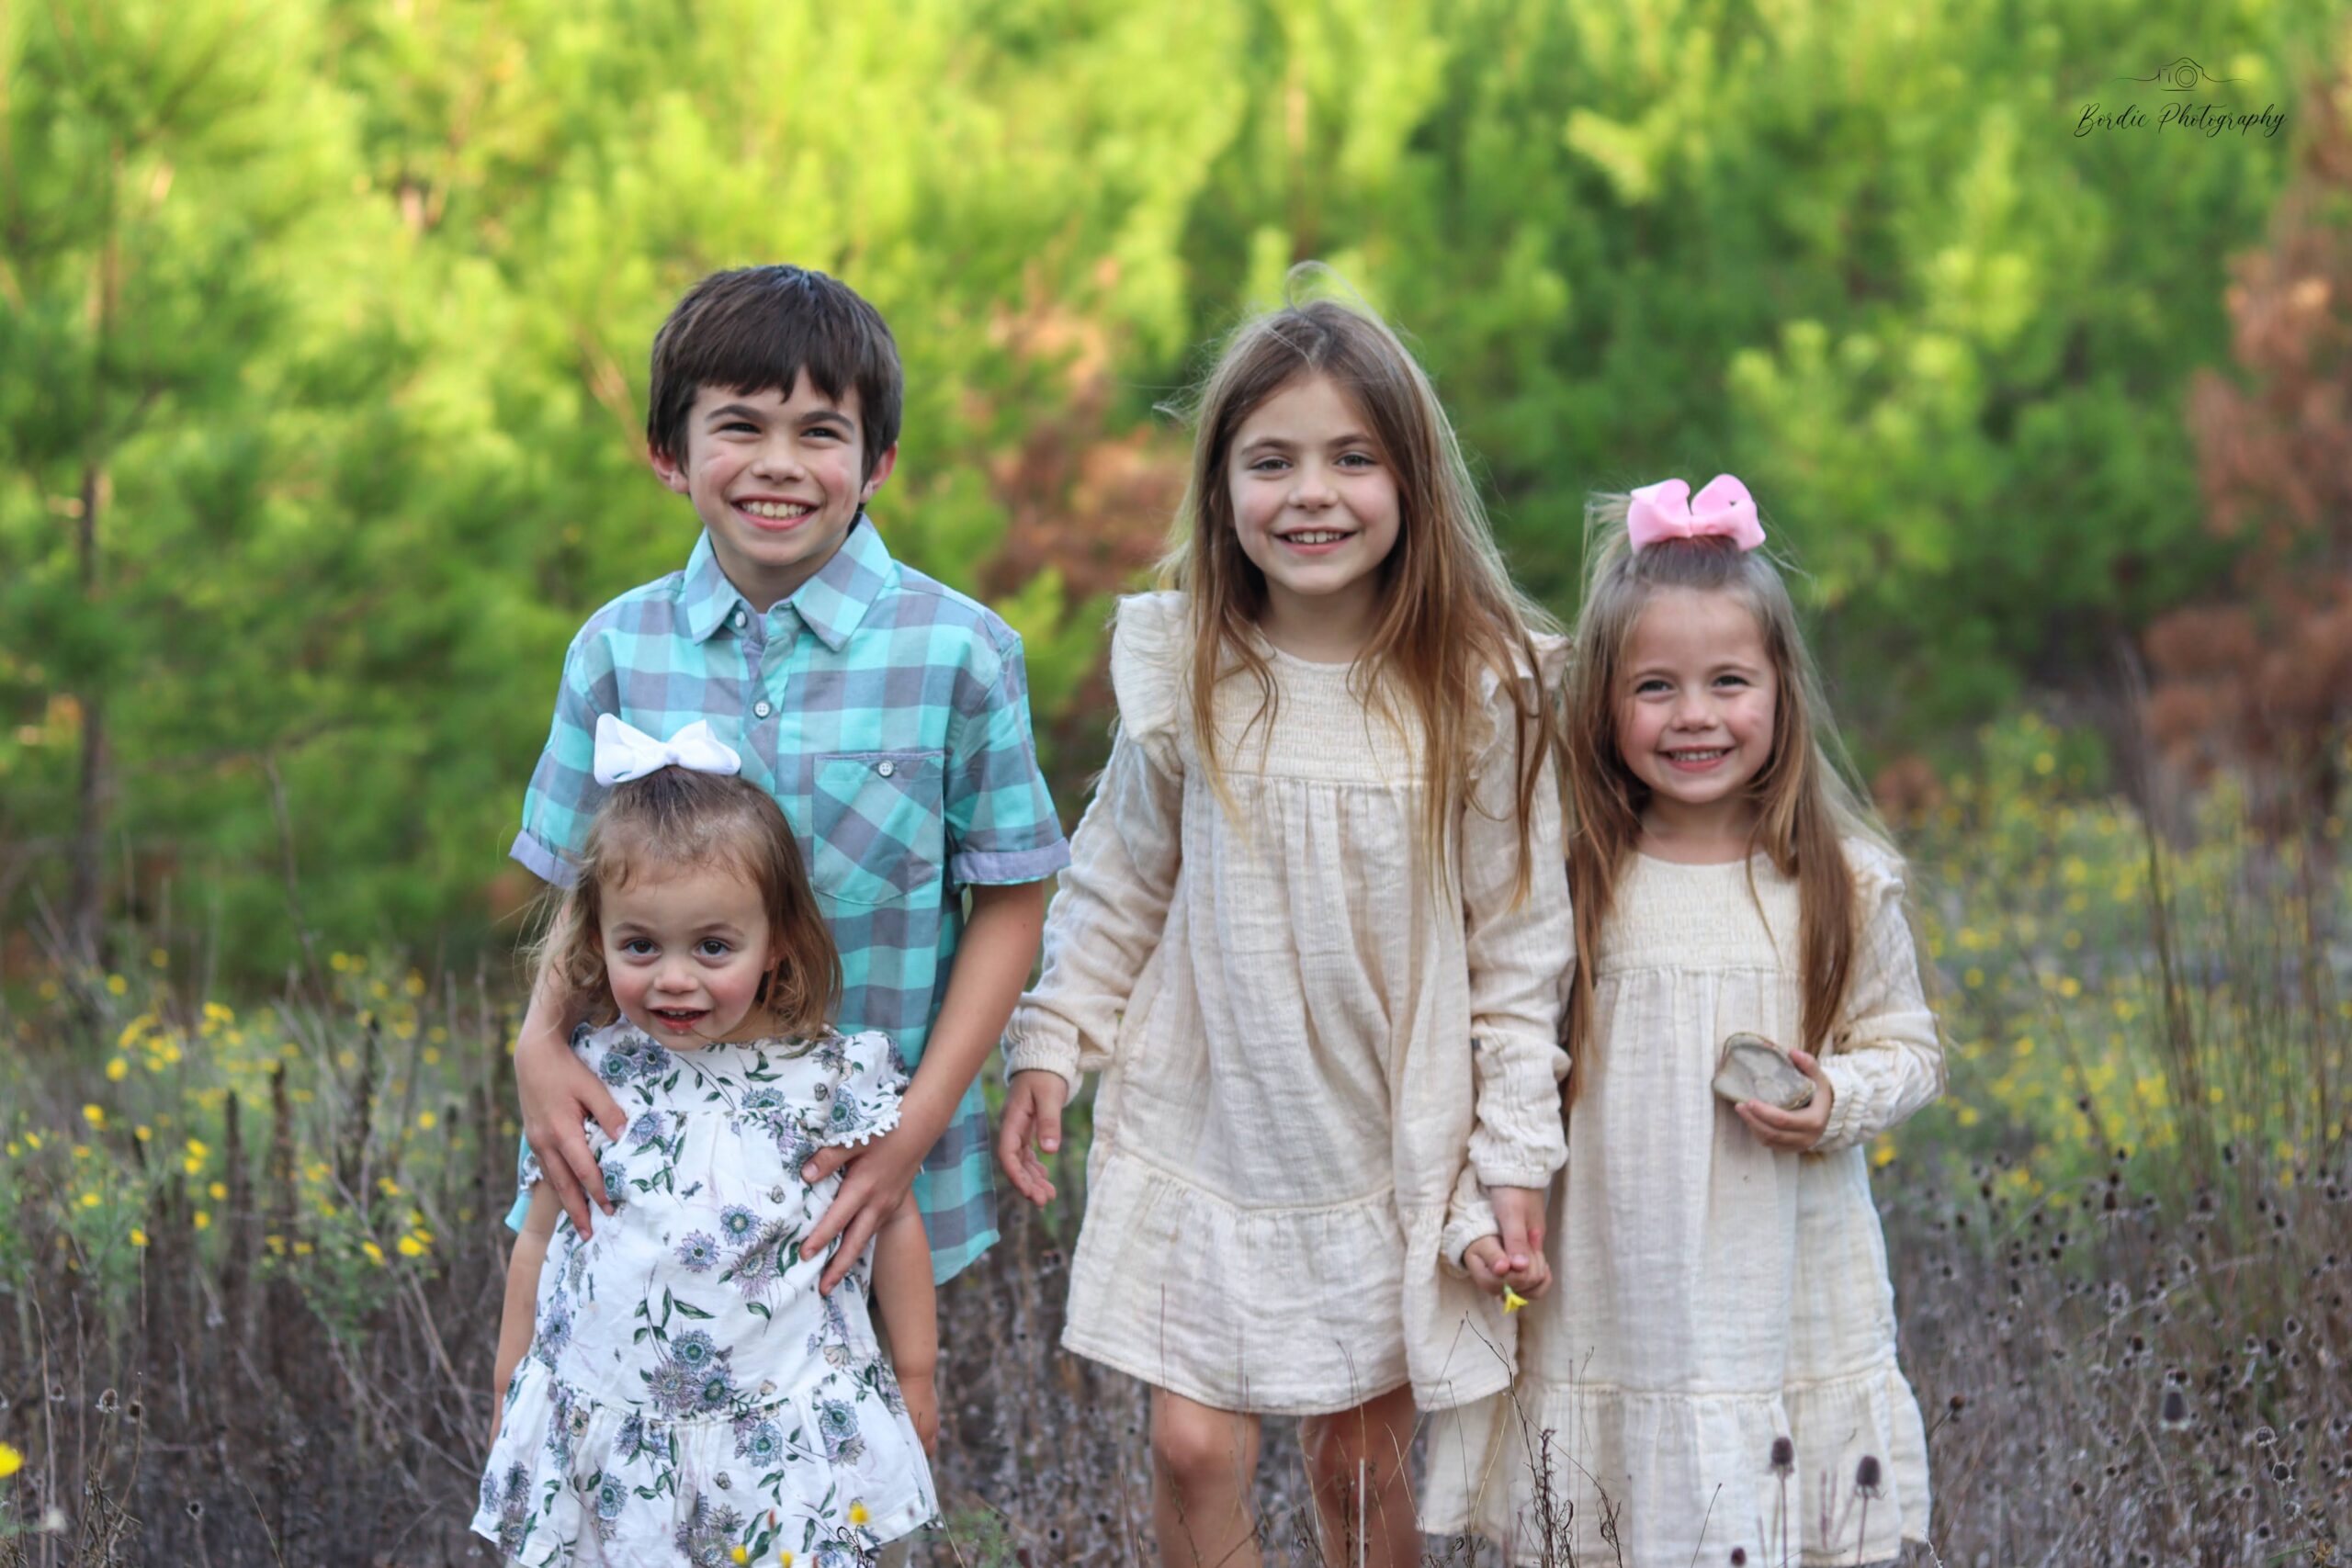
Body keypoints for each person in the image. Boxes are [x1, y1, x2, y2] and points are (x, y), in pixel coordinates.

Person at [996, 275, 1570, 1568]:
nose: (1312, 493)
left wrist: (1512, 1154)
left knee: (1354, 1463)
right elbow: (1119, 874)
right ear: (1221, 488)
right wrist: (1053, 1038)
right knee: (1194, 1447)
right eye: (1272, 461)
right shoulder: (1190, 663)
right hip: (1211, 1109)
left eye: (1352, 458)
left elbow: (1520, 949)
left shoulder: (1479, 689)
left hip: (1392, 1128)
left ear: (1414, 480)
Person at [506, 265, 1069, 1295]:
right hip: (644, 1167)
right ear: (669, 453)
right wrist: (536, 1046)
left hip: (862, 1171)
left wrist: (913, 1129)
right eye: (739, 427)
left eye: (819, 431)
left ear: (878, 461)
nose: (779, 463)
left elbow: (1011, 900)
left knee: (882, 1398)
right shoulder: (614, 651)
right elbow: (579, 902)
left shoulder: (959, 654)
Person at [1421, 476, 1941, 1567]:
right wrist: (1478, 1215)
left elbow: (1906, 1048)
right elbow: (1506, 1062)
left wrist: (1836, 1098)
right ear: (1602, 706)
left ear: (1782, 691)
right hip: (1610, 1295)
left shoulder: (1838, 881)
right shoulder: (1571, 882)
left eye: (1727, 682)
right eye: (1653, 686)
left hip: (1778, 1296)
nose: (1693, 714)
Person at [477, 719, 936, 1565]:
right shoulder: (592, 1074)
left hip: (781, 1438)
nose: (674, 977)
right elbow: (540, 1235)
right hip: (616, 1434)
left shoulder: (828, 1078)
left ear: (777, 942)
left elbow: (895, 1219)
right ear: (596, 939)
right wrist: (513, 1381)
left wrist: (916, 1375)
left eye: (713, 946)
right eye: (640, 945)